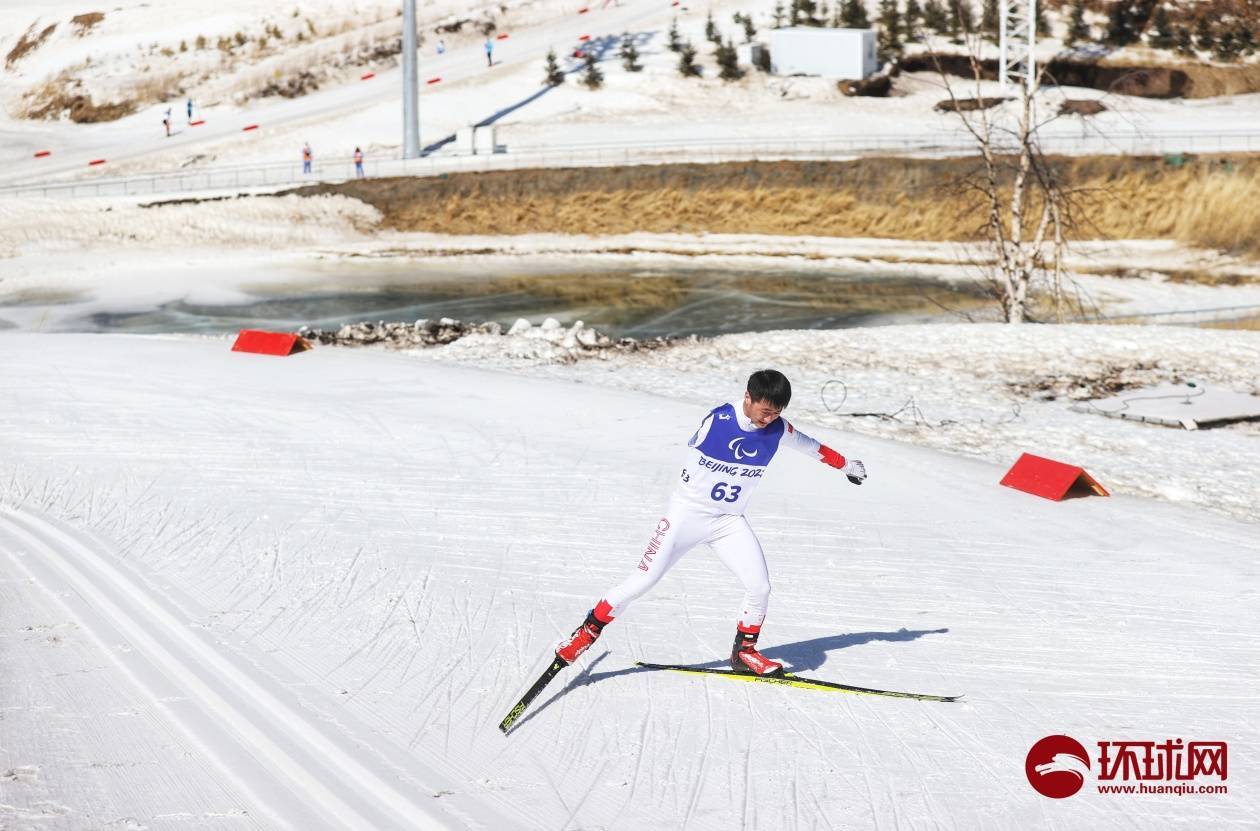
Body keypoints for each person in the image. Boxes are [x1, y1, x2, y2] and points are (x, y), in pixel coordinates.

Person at [555, 370, 867, 676]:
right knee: (642, 581)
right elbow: (706, 439)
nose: (769, 418)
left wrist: (848, 466)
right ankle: (584, 634)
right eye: (765, 411)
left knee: (759, 586)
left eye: (776, 413)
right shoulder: (720, 419)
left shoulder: (778, 429)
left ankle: (744, 652)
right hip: (685, 516)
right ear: (747, 397)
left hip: (727, 521)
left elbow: (814, 448)